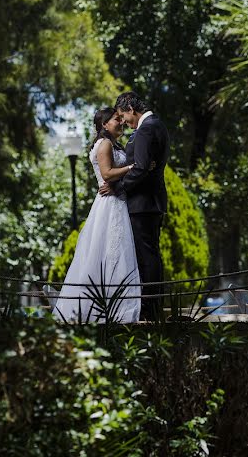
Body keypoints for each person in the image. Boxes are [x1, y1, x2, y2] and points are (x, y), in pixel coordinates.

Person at [54, 108, 141, 323]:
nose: (120, 122)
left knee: (115, 252)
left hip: (115, 200)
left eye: (121, 119)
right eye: (116, 119)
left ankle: (115, 304)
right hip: (110, 204)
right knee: (109, 251)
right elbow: (107, 174)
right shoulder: (105, 144)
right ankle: (104, 307)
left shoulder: (111, 144)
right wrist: (132, 167)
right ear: (104, 124)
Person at [100, 92, 170, 321]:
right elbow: (143, 166)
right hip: (152, 201)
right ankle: (153, 307)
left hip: (143, 203)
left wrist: (117, 187)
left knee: (146, 256)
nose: (124, 121)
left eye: (123, 115)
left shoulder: (146, 129)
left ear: (131, 108)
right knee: (151, 254)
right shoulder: (158, 124)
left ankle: (150, 310)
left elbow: (140, 168)